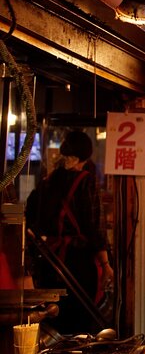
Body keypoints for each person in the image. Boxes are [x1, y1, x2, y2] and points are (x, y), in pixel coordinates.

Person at [26, 130, 112, 334]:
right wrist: (105, 264)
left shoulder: (48, 181)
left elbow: (32, 219)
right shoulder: (85, 181)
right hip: (79, 264)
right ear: (85, 156)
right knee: (81, 325)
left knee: (56, 322)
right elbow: (94, 227)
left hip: (51, 263)